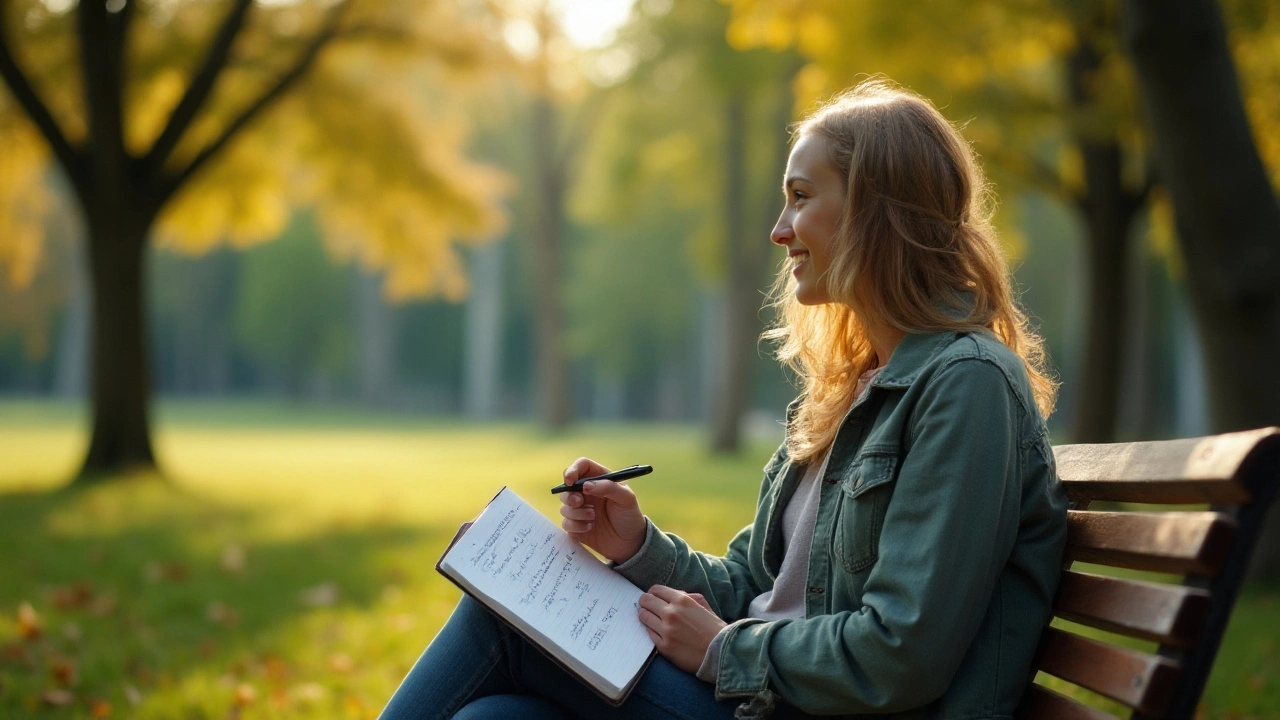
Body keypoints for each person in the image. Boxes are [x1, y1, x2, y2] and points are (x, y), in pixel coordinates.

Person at [378, 78, 1068, 720]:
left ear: (876, 212)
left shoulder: (965, 384)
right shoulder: (855, 391)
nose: (780, 229)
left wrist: (723, 650)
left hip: (790, 705)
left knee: (503, 625)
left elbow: (901, 655)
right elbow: (752, 586)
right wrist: (636, 546)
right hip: (763, 698)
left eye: (801, 197)